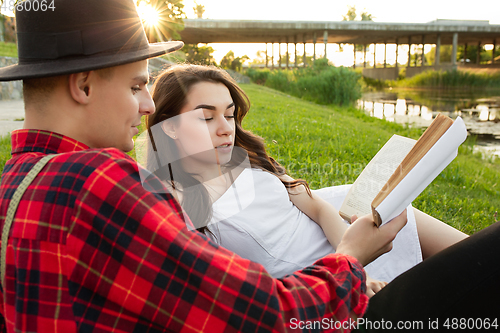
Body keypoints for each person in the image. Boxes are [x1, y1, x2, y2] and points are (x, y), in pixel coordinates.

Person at [0, 0, 408, 332]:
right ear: (84, 86)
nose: (146, 104)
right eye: (136, 86)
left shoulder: (12, 184)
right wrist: (351, 260)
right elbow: (262, 316)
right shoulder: (102, 181)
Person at [145, 64, 468, 294]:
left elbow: (316, 207)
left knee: (475, 257)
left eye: (229, 114)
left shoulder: (246, 160)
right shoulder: (174, 203)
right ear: (169, 126)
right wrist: (348, 271)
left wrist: (350, 251)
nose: (226, 127)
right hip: (316, 280)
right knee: (473, 275)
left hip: (342, 235)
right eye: (206, 117)